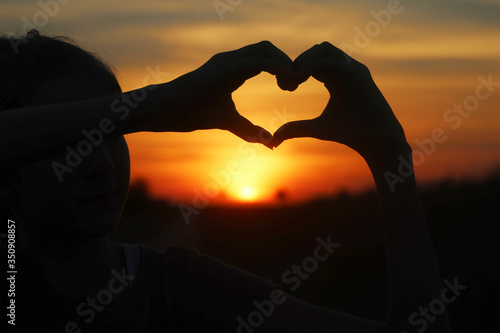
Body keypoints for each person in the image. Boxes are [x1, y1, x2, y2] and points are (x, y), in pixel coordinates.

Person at [0, 29, 450, 332]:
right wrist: (157, 104)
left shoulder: (179, 289)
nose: (98, 164)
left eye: (113, 134)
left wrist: (391, 155)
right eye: (70, 142)